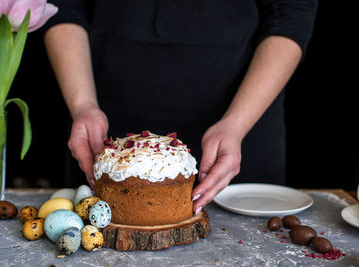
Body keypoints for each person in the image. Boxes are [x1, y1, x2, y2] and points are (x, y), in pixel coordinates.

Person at [42, 0, 317, 214]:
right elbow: (63, 6)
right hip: (105, 133)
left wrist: (236, 124)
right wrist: (83, 104)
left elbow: (291, 11)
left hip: (240, 127)